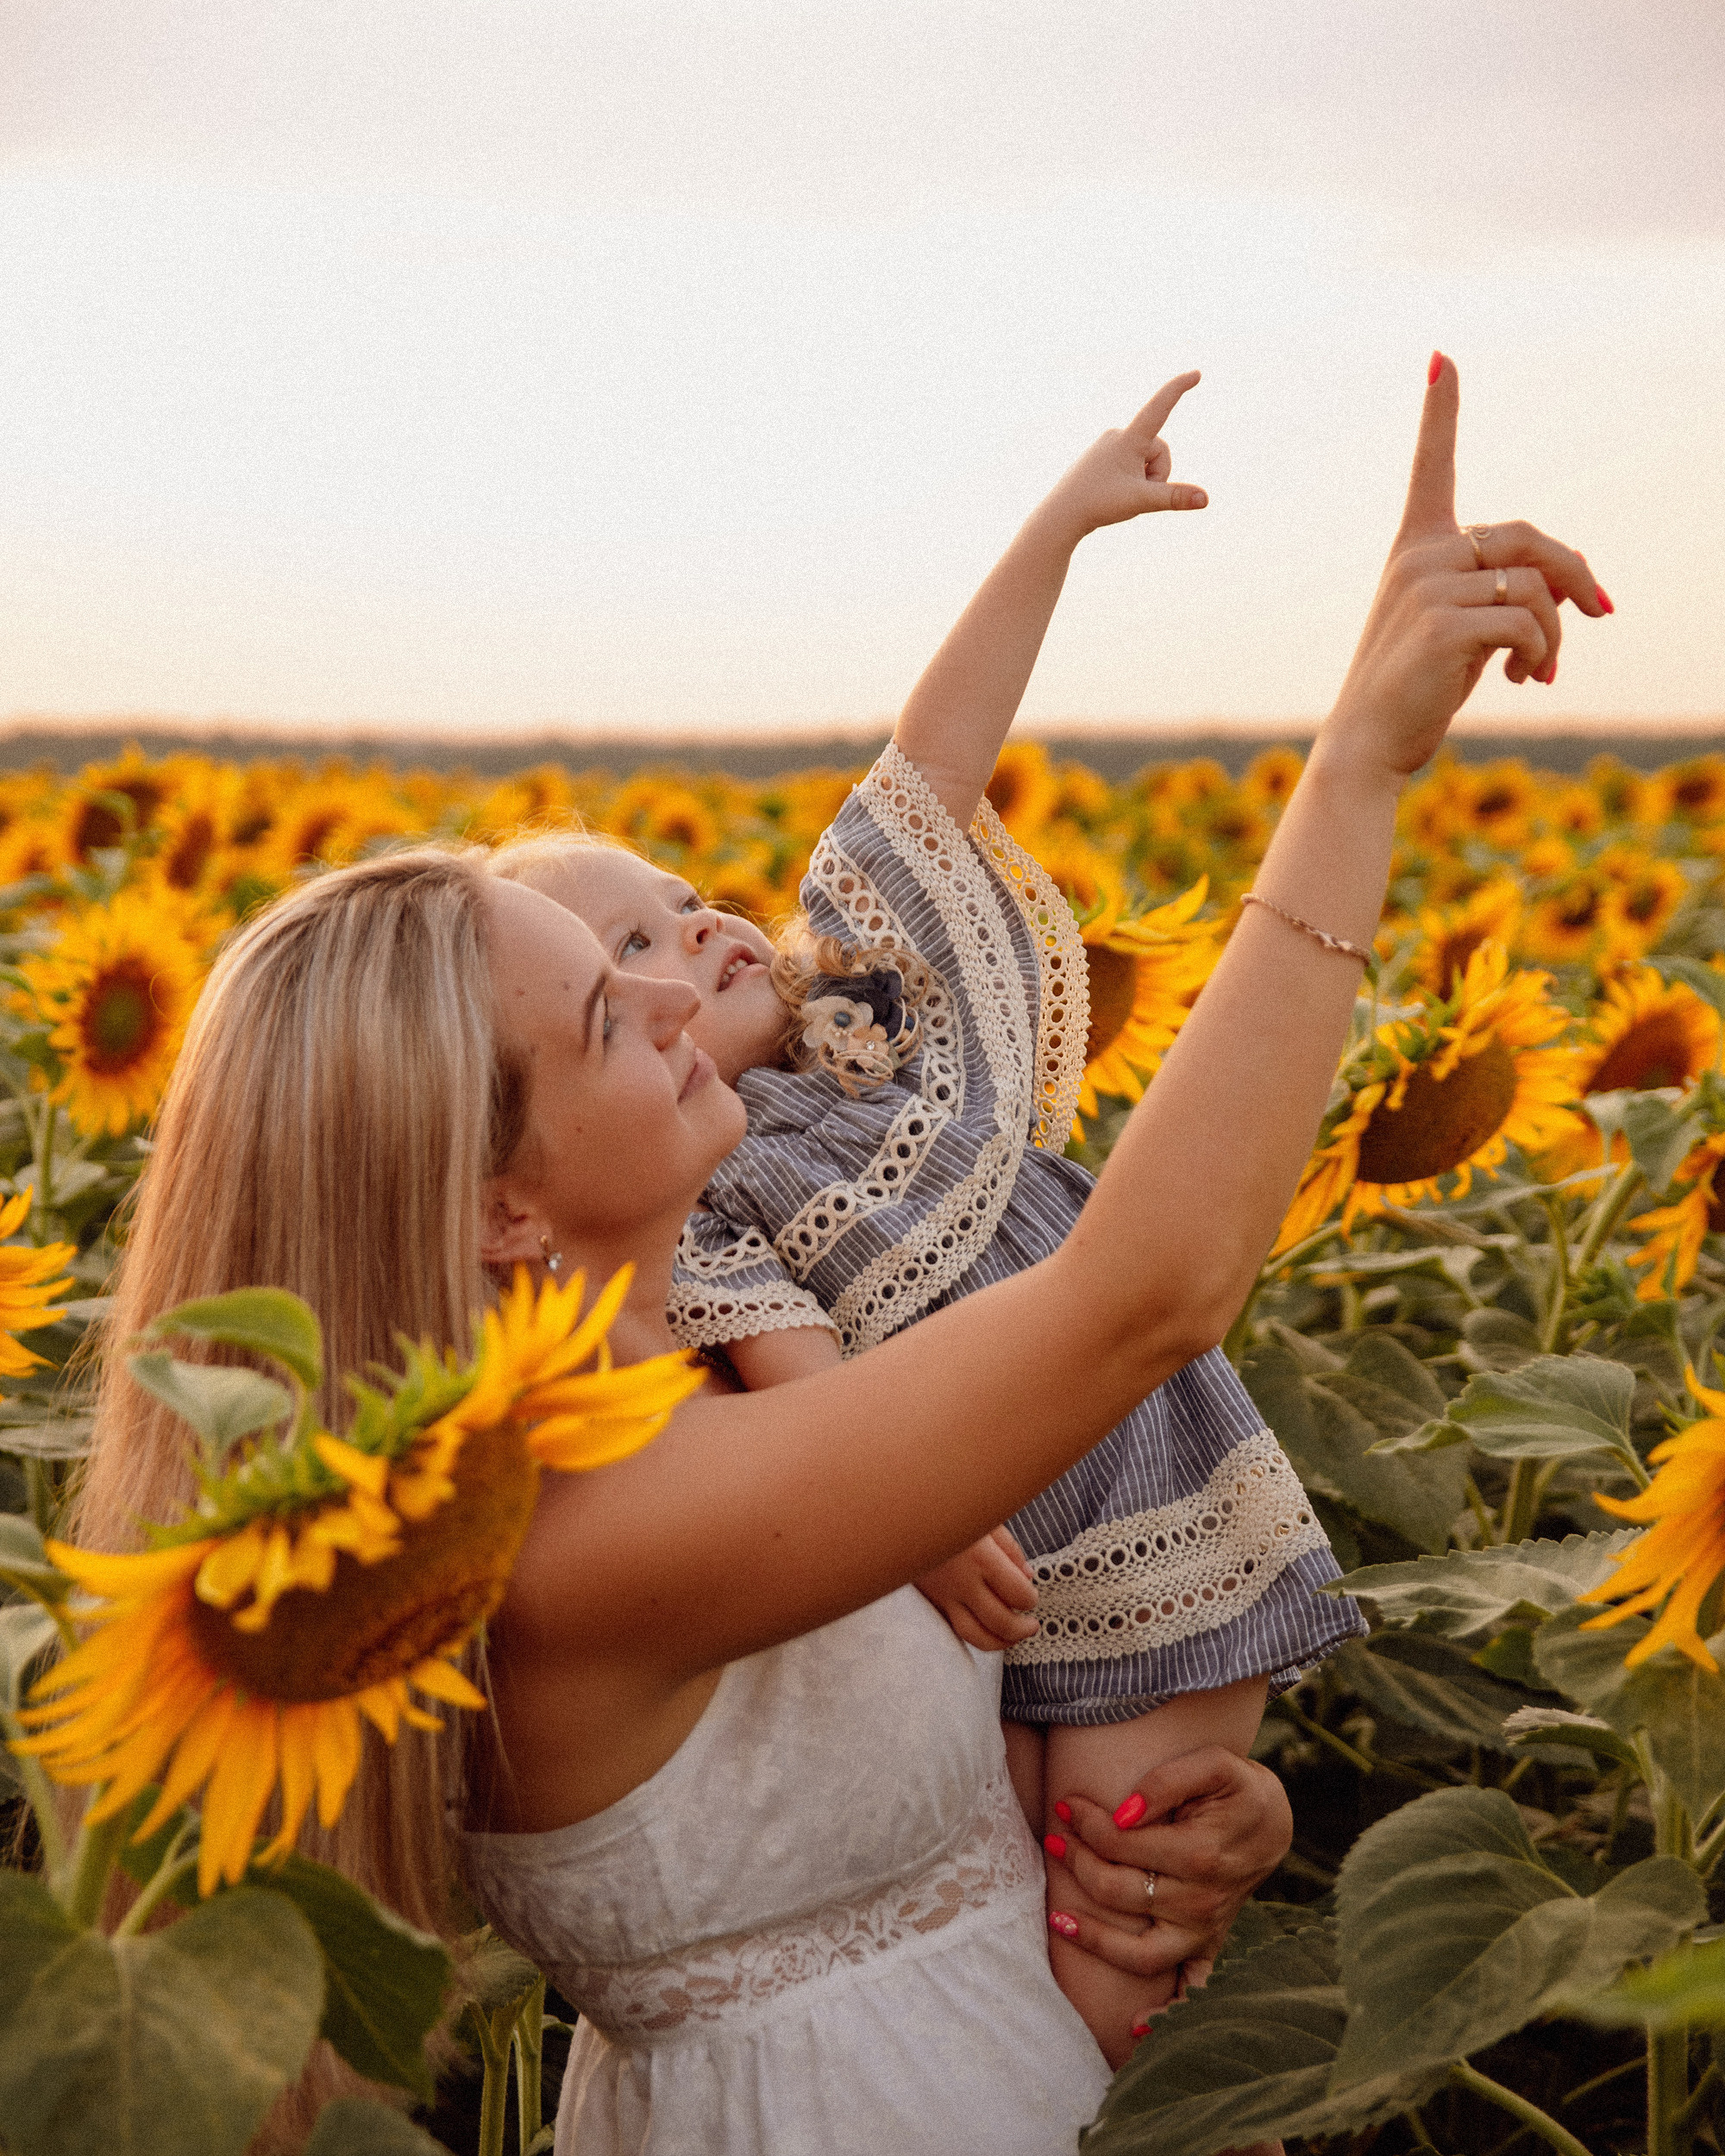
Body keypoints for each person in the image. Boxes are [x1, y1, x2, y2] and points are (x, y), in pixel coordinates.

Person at [69, 355, 1603, 2155]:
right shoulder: (568, 1527)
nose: (675, 982)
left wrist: (1182, 1822)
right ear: (494, 1202)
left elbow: (907, 1762)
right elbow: (1142, 1294)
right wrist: (1357, 761)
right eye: (596, 1006)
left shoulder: (718, 1370)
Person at [487, 370, 1366, 2059]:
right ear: (500, 1181)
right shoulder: (704, 1223)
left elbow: (926, 763)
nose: (701, 954)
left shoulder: (854, 1033)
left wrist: (1056, 529)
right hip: (1018, 1515)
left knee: (1121, 1884)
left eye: (686, 907)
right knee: (1089, 1935)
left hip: (1142, 1484)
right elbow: (831, 1383)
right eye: (626, 977)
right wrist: (914, 1502)